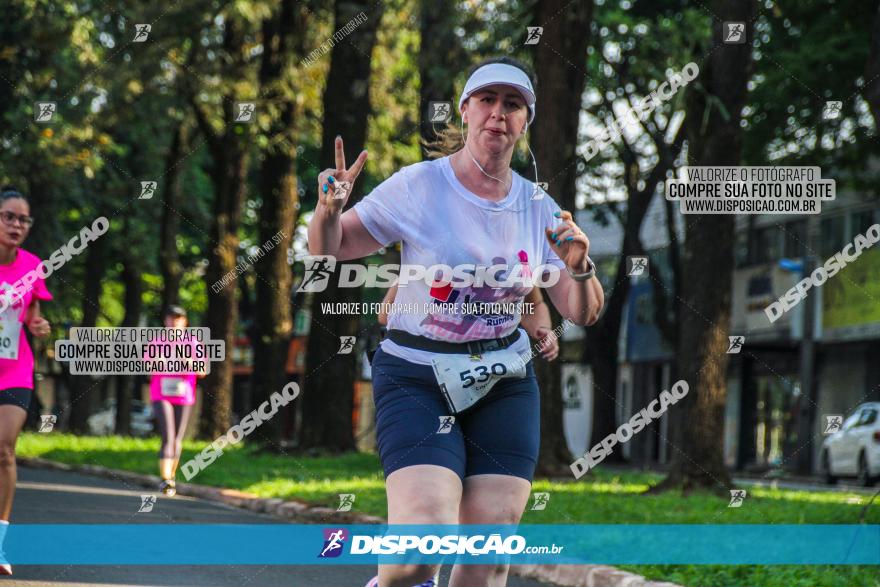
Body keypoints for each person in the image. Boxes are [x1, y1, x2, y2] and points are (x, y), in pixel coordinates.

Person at [308, 56, 603, 587]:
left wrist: (578, 265)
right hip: (417, 374)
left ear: (525, 121)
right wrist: (328, 211)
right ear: (465, 111)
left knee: (488, 559)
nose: (498, 114)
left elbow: (580, 311)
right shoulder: (419, 185)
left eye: (512, 104)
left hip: (504, 381)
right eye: (487, 101)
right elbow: (333, 250)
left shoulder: (538, 208)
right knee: (419, 553)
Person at [0, 186, 52, 576]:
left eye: (23, 219)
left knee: (4, 448)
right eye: (9, 216)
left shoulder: (33, 264)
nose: (16, 225)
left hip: (15, 369)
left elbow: (33, 310)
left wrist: (36, 323)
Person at [149, 305, 201, 497]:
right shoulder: (157, 342)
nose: (174, 322)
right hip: (161, 394)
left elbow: (202, 370)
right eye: (171, 318)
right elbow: (150, 366)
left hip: (184, 394)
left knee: (178, 439)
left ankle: (171, 477)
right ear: (165, 321)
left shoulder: (193, 343)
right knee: (168, 436)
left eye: (178, 318)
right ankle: (165, 480)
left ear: (184, 322)